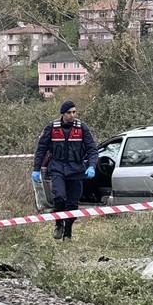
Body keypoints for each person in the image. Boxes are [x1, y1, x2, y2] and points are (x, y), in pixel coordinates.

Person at [32, 100, 97, 239]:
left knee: (73, 203)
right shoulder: (51, 127)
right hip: (57, 167)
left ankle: (68, 232)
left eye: (74, 112)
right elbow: (41, 149)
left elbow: (92, 149)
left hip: (77, 169)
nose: (72, 115)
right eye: (69, 112)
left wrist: (92, 166)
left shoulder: (82, 128)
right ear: (63, 113)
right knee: (59, 196)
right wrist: (36, 169)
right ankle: (58, 224)